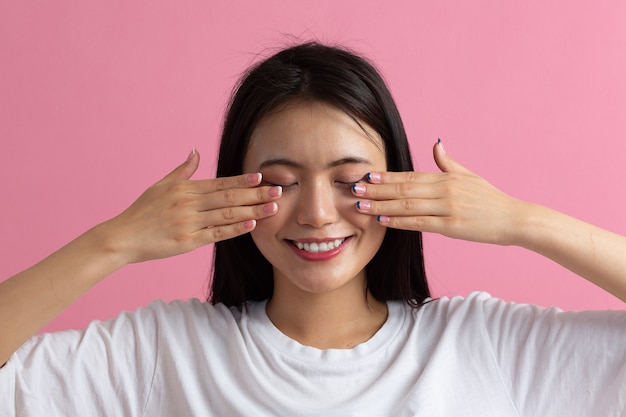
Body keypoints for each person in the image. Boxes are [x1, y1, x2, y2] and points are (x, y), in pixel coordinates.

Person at [1, 42, 625, 416]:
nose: (317, 214)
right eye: (282, 179)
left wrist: (522, 222)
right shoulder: (163, 352)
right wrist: (114, 242)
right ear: (233, 186)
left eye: (350, 177)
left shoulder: (484, 346)